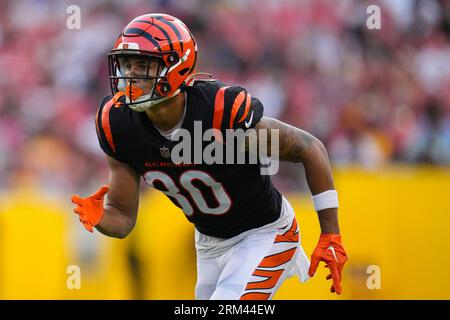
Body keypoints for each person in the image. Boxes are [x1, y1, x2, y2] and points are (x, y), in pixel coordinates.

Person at [71, 13, 348, 300]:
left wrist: (331, 235)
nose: (130, 75)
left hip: (264, 233)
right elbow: (123, 217)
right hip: (208, 244)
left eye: (143, 65)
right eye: (127, 65)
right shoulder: (117, 123)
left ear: (176, 66)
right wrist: (101, 217)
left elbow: (310, 148)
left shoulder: (219, 111)